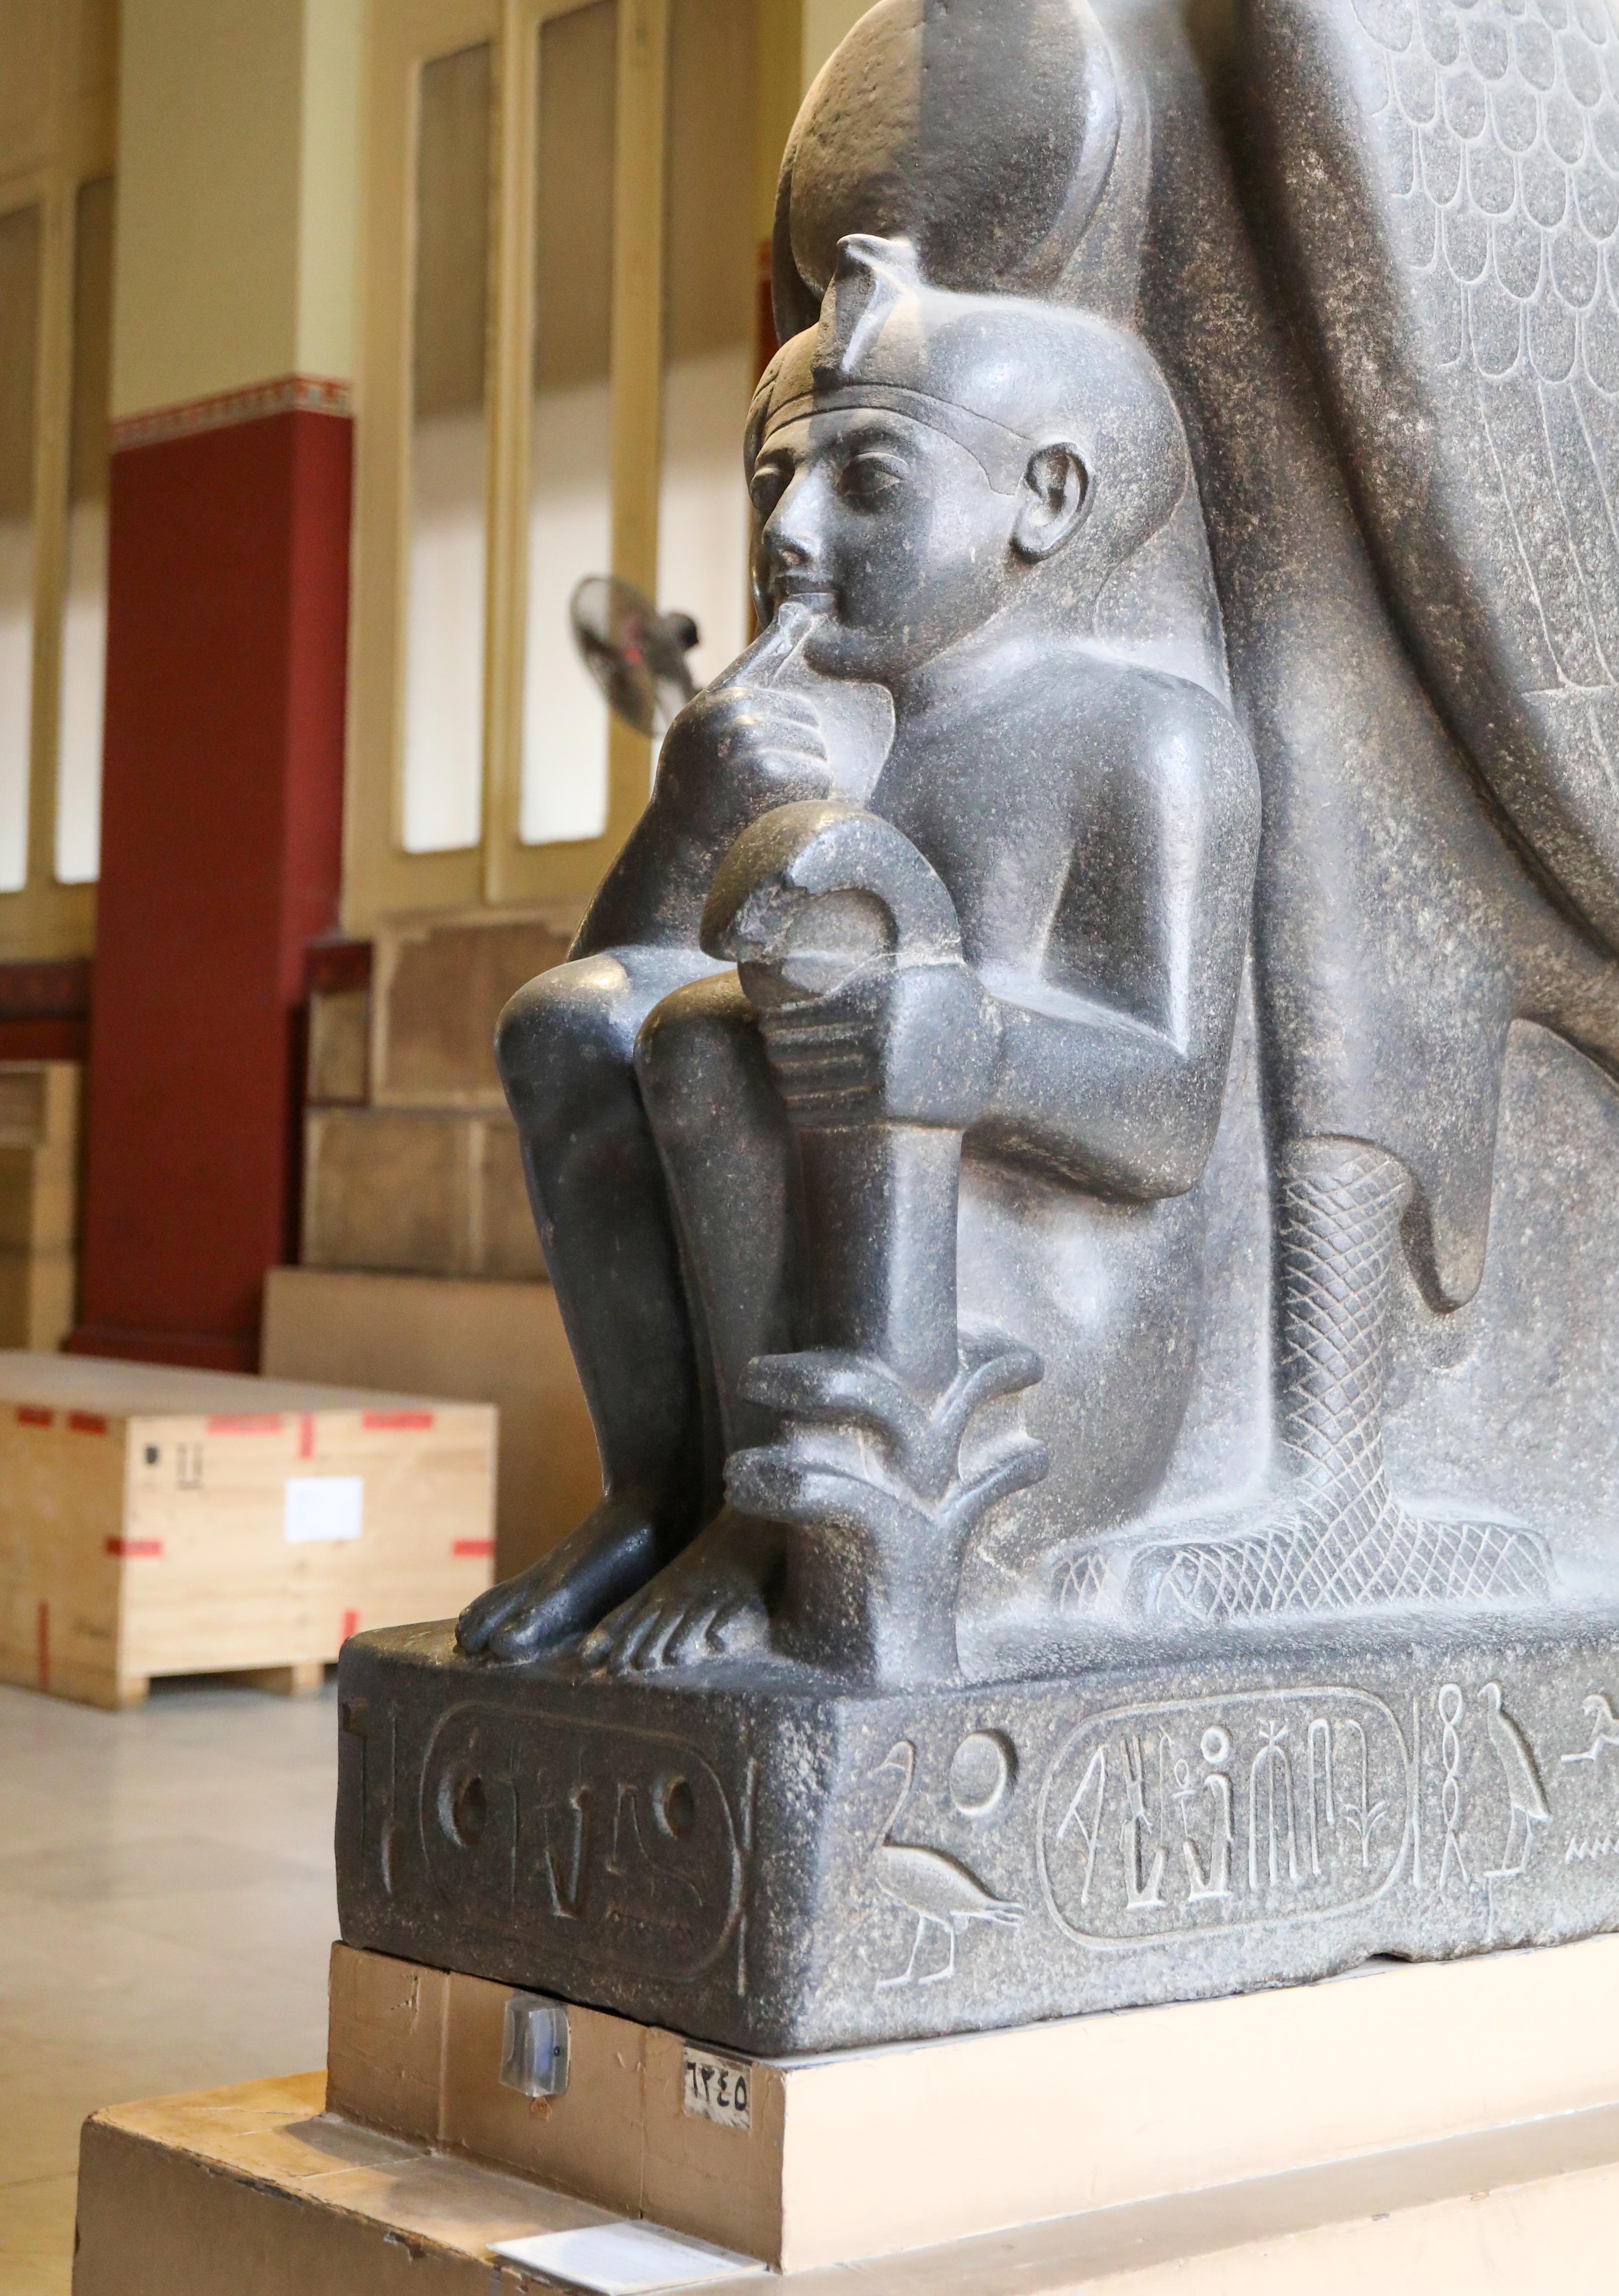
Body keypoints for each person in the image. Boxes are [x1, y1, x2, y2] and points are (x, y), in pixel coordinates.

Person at [458, 233, 1257, 1671]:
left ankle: (775, 1508)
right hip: (861, 1267)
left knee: (714, 1039)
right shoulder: (834, 727)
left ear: (1046, 500)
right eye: (776, 481)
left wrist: (981, 1050)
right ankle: (664, 1490)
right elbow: (594, 1037)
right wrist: (689, 818)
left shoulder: (1147, 734)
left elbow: (1170, 1117)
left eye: (868, 483)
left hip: (1037, 1328)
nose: (789, 533)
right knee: (571, 1021)